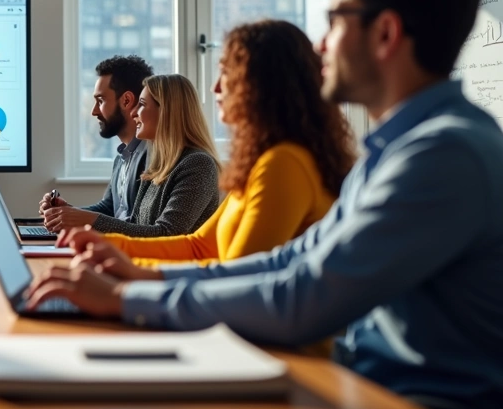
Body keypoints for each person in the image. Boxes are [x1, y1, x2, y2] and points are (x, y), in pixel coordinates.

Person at [27, 0, 503, 409]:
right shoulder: (398, 150)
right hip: (369, 391)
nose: (321, 44)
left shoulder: (443, 155)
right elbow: (289, 260)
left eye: (334, 21)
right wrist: (145, 277)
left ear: (385, 34)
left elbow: (303, 297)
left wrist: (125, 298)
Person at [62, 20, 355, 272]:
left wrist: (128, 287)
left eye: (226, 73)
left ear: (264, 85)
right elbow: (199, 246)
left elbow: (237, 279)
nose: (215, 88)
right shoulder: (260, 163)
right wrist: (105, 246)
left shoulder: (285, 164)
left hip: (259, 335)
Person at [45, 74, 220, 238]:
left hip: (173, 270)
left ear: (166, 111)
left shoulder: (198, 164)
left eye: (142, 104)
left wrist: (88, 220)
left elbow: (167, 234)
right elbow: (133, 224)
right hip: (142, 263)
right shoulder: (157, 165)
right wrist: (72, 214)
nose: (133, 112)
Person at [38, 55, 152, 230]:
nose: (94, 111)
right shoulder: (123, 156)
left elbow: (140, 227)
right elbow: (109, 209)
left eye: (101, 101)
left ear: (126, 100)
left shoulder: (152, 157)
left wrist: (76, 218)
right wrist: (66, 213)